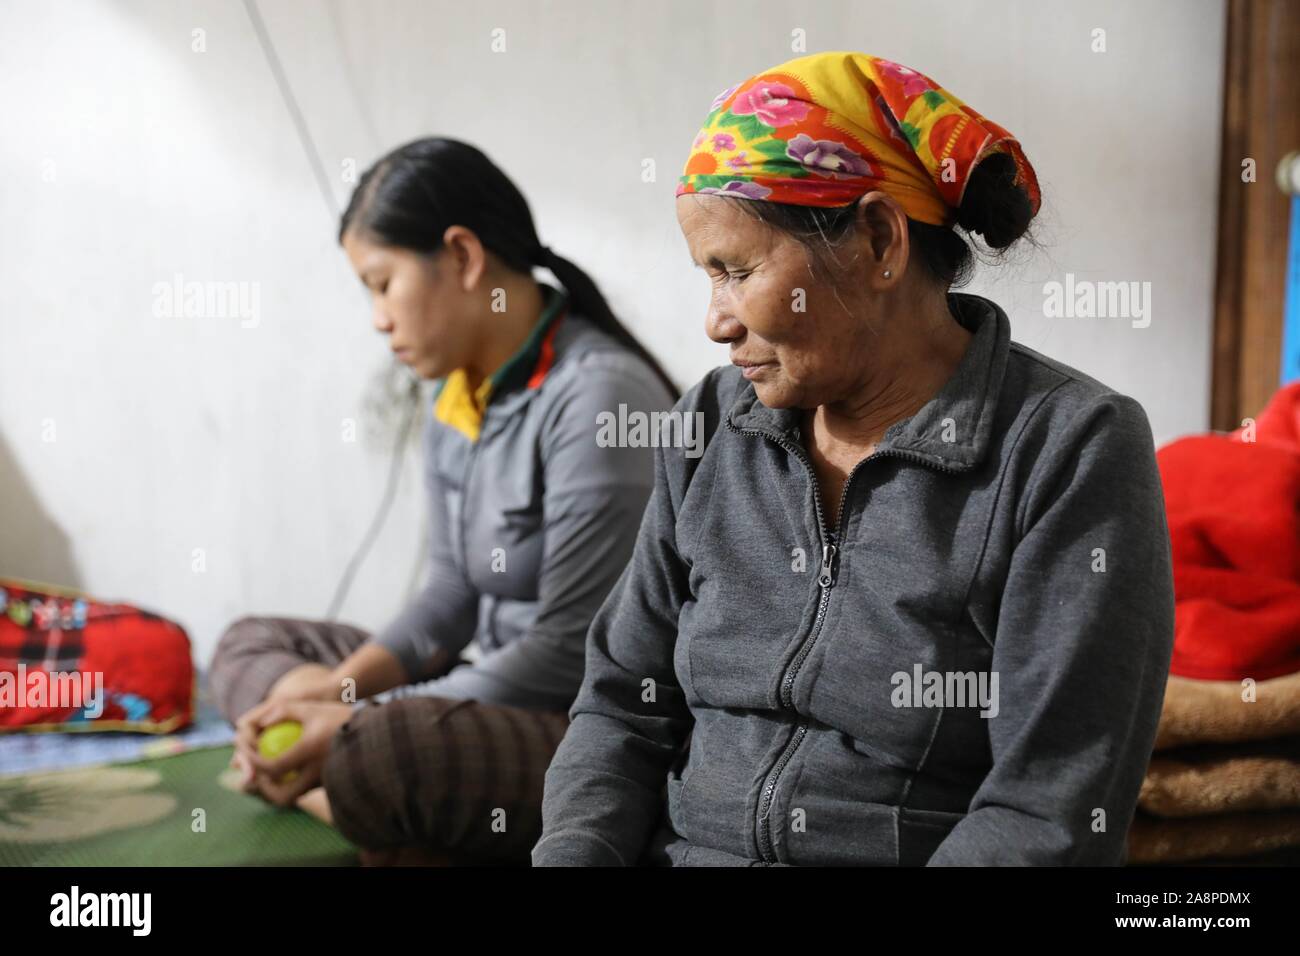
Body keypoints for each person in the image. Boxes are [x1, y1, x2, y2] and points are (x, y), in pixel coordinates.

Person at [533, 52, 1175, 866]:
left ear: (877, 241)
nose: (715, 322)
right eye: (708, 277)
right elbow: (621, 706)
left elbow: (1046, 811)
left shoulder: (1068, 448)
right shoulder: (710, 425)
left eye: (736, 272)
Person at [209, 137, 677, 865]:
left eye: (381, 283)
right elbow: (453, 589)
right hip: (484, 683)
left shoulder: (599, 396)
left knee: (387, 751)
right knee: (247, 647)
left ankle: (321, 778)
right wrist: (339, 690)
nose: (376, 317)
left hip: (581, 721)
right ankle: (333, 778)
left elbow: (565, 654)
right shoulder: (455, 394)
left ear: (462, 257)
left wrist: (354, 720)